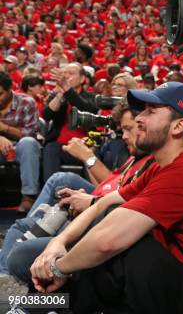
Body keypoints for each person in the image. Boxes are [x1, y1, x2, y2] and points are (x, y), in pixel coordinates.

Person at [29, 82, 183, 313]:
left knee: (120, 248)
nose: (139, 119)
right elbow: (105, 202)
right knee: (106, 235)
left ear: (178, 126)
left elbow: (107, 242)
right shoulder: (167, 165)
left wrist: (57, 268)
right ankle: (37, 305)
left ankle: (35, 304)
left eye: (150, 111)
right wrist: (59, 242)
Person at [1, 99, 157, 282]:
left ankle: (11, 285)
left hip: (103, 228)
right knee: (22, 227)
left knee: (21, 251)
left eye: (129, 129)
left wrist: (89, 162)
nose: (123, 136)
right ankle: (7, 277)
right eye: (122, 130)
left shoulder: (153, 163)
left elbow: (119, 204)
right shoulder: (134, 156)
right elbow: (107, 186)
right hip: (97, 211)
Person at [41, 63, 98, 181]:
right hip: (60, 146)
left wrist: (67, 89)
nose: (66, 77)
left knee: (92, 152)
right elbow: (46, 115)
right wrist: (60, 94)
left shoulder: (92, 97)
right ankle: (52, 193)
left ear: (82, 79)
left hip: (85, 146)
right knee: (51, 147)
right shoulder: (59, 95)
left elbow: (86, 109)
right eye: (64, 73)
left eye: (71, 73)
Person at [0, 71, 41, 212]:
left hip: (20, 148)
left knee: (28, 143)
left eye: (0, 94)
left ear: (10, 89)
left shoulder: (26, 102)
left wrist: (4, 128)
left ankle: (28, 197)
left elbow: (31, 133)